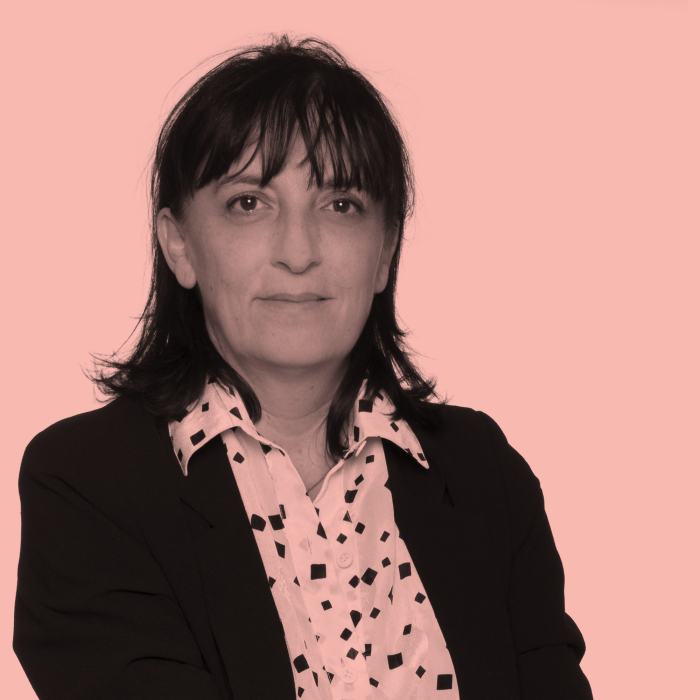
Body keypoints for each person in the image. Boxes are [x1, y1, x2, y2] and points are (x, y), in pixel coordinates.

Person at [12, 34, 593, 700]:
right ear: (180, 246)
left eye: (341, 205)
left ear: (385, 251)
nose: (298, 251)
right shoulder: (87, 484)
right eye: (249, 203)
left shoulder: (483, 473)